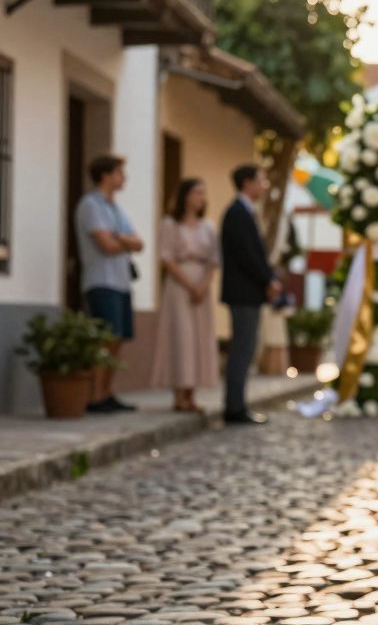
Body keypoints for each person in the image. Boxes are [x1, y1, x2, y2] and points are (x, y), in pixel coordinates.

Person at [75, 154, 143, 413]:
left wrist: (120, 239)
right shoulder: (90, 205)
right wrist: (123, 241)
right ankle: (94, 395)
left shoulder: (116, 209)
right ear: (106, 175)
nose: (123, 178)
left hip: (122, 282)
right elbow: (105, 245)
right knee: (105, 339)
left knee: (118, 339)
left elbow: (139, 243)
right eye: (119, 173)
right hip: (101, 281)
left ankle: (105, 392)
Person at [151, 179, 220, 412]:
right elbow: (166, 258)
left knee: (198, 338)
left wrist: (203, 285)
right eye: (197, 192)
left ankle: (192, 394)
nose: (201, 197)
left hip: (201, 286)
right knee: (181, 337)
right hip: (179, 286)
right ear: (185, 196)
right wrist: (190, 285)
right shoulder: (171, 224)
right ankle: (178, 393)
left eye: (203, 193)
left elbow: (214, 259)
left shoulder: (208, 226)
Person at [220, 164, 280, 425]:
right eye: (261, 179)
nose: (265, 184)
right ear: (247, 183)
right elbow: (247, 255)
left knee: (246, 348)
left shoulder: (246, 212)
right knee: (243, 348)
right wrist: (267, 279)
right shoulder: (237, 213)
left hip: (248, 293)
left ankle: (238, 403)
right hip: (243, 293)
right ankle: (234, 406)